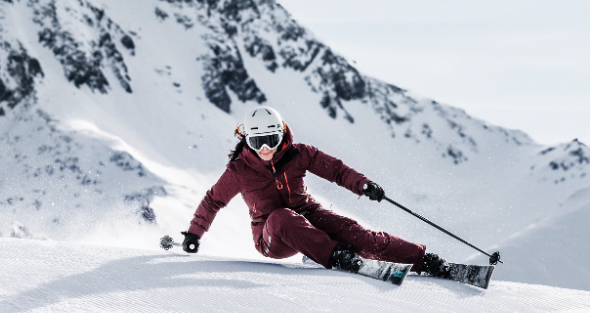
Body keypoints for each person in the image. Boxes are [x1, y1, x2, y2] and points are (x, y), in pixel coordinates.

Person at [180, 105, 448, 276]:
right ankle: (337, 257)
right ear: (247, 141)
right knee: (282, 217)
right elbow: (213, 201)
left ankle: (424, 260)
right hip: (272, 235)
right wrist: (194, 233)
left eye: (270, 140)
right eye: (257, 142)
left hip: (308, 214)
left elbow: (337, 171)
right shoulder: (239, 170)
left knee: (359, 235)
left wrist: (364, 185)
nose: (265, 149)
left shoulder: (300, 154)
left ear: (281, 135)